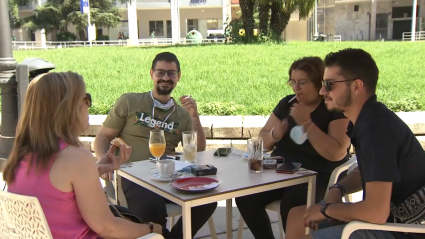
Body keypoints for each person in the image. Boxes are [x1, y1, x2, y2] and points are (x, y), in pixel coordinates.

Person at [285, 48, 425, 239]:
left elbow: (376, 211)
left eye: (329, 84)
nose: (322, 91)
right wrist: (338, 189)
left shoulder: (377, 130)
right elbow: (366, 171)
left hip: (403, 230)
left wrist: (328, 210)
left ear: (357, 86)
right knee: (298, 216)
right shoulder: (368, 119)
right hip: (389, 220)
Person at [3, 72, 162, 238]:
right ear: (68, 107)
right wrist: (151, 228)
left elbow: (57, 190)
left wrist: (97, 169)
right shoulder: (75, 157)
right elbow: (108, 228)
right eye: (86, 99)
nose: (89, 106)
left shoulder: (22, 153)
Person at [94, 52, 217, 239]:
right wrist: (104, 163)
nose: (166, 78)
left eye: (171, 73)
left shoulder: (182, 114)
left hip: (168, 174)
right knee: (152, 208)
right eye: (160, 72)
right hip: (134, 175)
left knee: (207, 199)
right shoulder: (130, 101)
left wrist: (194, 116)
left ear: (178, 77)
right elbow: (103, 137)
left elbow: (197, 151)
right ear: (152, 74)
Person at [235, 56, 351, 239]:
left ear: (319, 83)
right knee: (246, 196)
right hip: (282, 169)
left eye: (302, 82)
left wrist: (307, 123)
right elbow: (263, 142)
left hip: (318, 174)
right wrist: (276, 134)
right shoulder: (287, 104)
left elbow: (337, 152)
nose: (295, 88)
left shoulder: (332, 107)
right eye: (293, 82)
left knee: (291, 203)